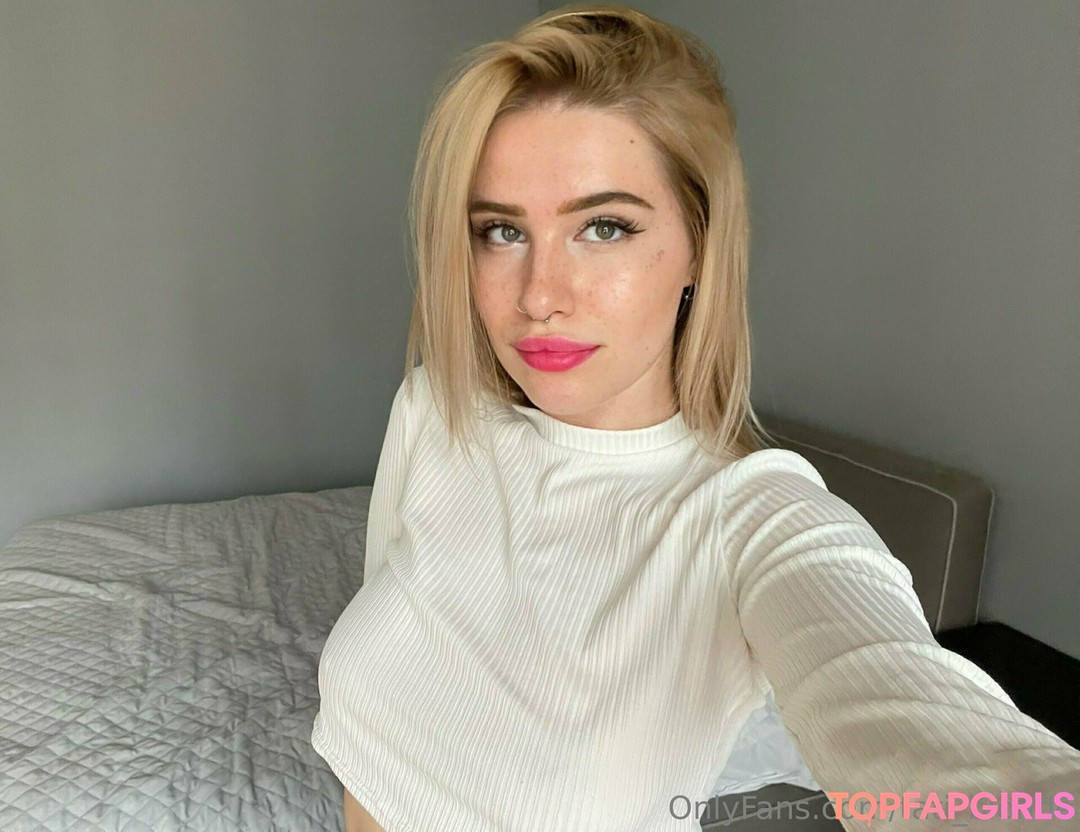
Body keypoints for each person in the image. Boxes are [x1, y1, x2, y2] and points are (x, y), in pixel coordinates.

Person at [311, 6, 1080, 831]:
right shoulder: (436, 406)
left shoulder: (753, 521)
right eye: (501, 231)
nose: (539, 296)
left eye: (603, 227)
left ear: (700, 249)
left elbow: (929, 731)